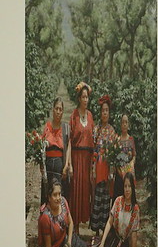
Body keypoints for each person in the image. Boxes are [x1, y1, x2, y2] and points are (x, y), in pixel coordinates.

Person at [86, 172, 139, 247]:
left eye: (129, 186)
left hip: (122, 244)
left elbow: (133, 236)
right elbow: (110, 222)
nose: (127, 189)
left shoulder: (135, 209)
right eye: (125, 186)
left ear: (133, 188)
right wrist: (102, 242)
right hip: (112, 237)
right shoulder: (118, 201)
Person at [36, 178, 88, 247]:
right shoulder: (45, 217)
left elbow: (71, 223)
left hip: (66, 239)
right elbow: (48, 246)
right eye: (55, 195)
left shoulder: (63, 201)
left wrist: (69, 242)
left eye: (59, 194)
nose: (58, 198)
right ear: (49, 197)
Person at [90, 94, 117, 235]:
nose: (104, 113)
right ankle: (96, 233)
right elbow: (93, 151)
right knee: (96, 199)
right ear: (100, 113)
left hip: (107, 171)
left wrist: (111, 172)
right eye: (102, 110)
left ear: (109, 112)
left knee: (106, 201)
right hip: (97, 170)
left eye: (107, 110)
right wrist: (92, 170)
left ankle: (104, 233)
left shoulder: (112, 132)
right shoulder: (96, 129)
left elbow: (113, 155)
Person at [68, 81, 94, 229]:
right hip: (77, 158)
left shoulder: (90, 116)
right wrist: (70, 162)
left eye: (87, 97)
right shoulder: (74, 116)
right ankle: (75, 227)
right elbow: (70, 140)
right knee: (75, 190)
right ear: (79, 98)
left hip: (87, 159)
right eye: (83, 97)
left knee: (85, 191)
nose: (85, 100)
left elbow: (93, 138)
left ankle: (83, 222)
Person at [40, 97, 71, 205]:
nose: (58, 111)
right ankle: (46, 219)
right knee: (47, 193)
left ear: (62, 111)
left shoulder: (65, 128)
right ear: (53, 109)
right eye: (56, 108)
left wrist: (66, 164)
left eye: (60, 109)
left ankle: (58, 220)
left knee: (58, 194)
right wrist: (41, 166)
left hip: (59, 165)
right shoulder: (47, 127)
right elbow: (41, 148)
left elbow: (68, 146)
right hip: (48, 165)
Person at [113, 113, 136, 200]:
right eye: (123, 122)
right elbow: (114, 158)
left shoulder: (131, 140)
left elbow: (134, 155)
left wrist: (132, 163)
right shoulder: (117, 140)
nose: (124, 124)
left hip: (128, 175)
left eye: (126, 122)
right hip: (119, 176)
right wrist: (120, 171)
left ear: (128, 125)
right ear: (120, 124)